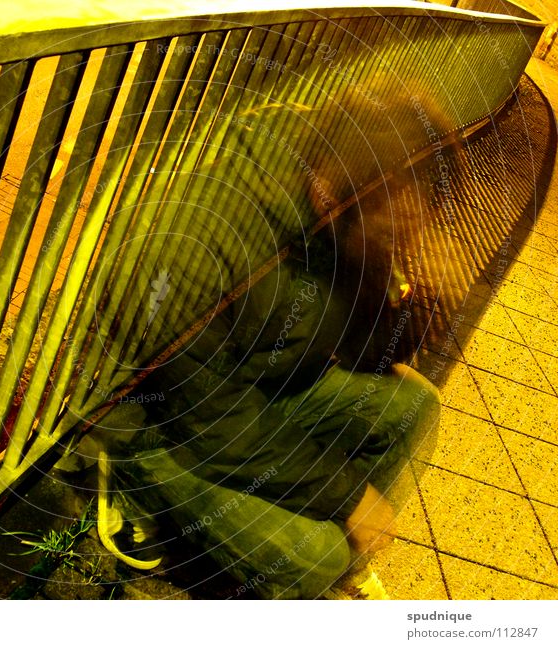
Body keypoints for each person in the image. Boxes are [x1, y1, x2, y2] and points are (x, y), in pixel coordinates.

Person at [91, 91, 443, 599]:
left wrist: (397, 286)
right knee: (313, 555)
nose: (418, 207)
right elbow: (208, 419)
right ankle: (136, 488)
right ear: (350, 184)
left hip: (268, 384)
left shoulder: (344, 215)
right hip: (165, 424)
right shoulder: (201, 235)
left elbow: (364, 351)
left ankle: (327, 552)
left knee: (414, 406)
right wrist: (342, 496)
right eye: (405, 191)